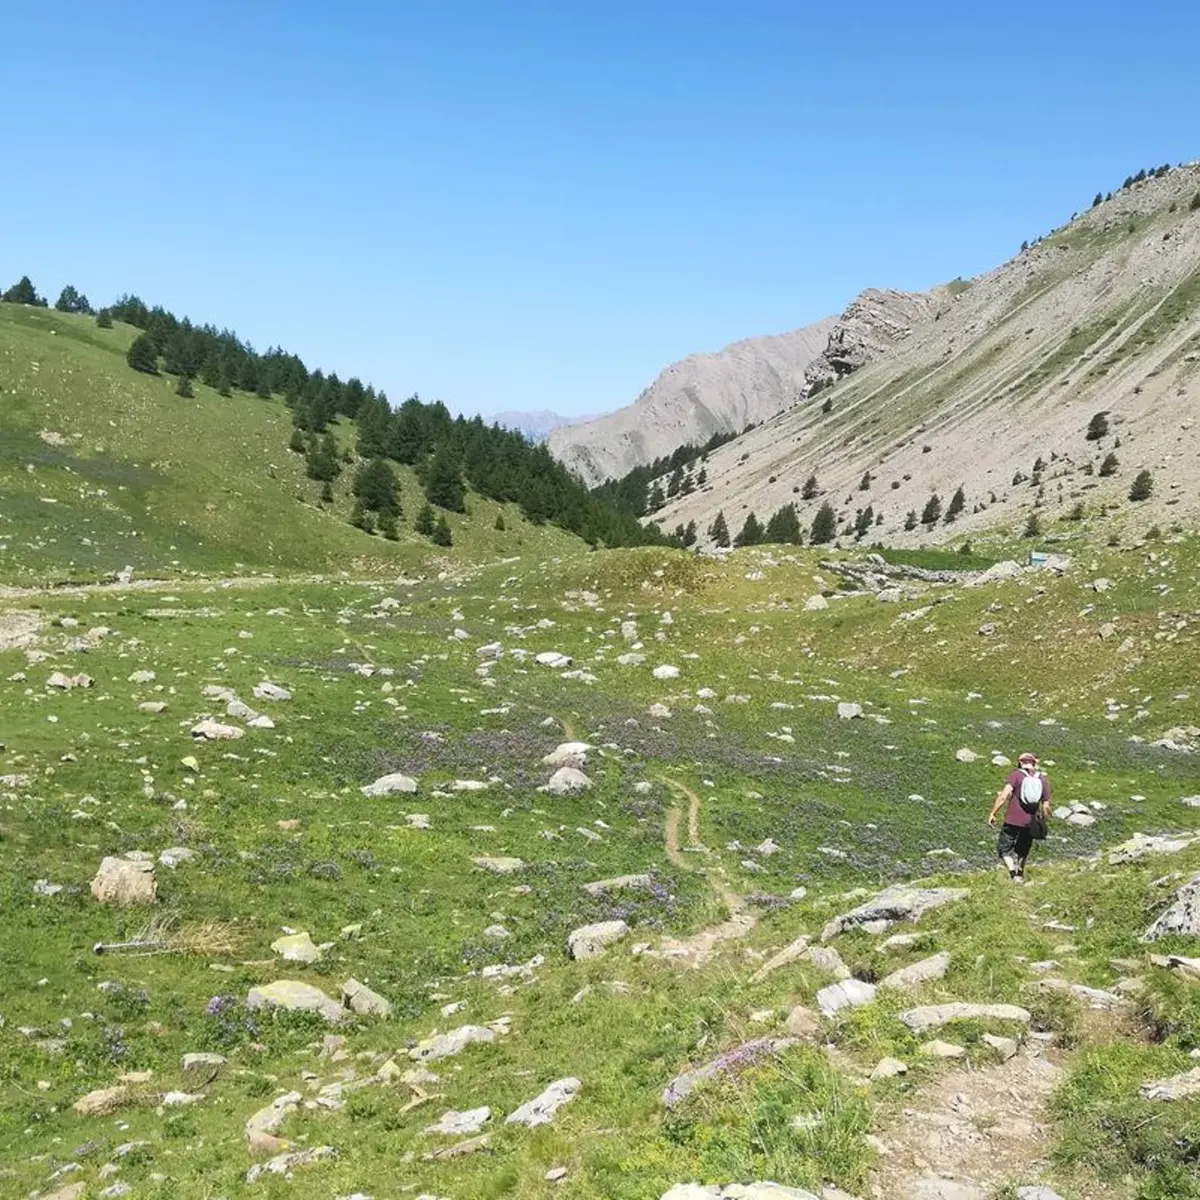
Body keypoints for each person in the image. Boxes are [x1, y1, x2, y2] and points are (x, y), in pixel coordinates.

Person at [988, 751, 1051, 883]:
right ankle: (1020, 874)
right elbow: (1045, 805)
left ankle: (1013, 873)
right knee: (1023, 850)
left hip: (1012, 820)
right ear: (1033, 763)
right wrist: (1043, 821)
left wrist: (993, 813)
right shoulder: (1042, 779)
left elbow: (1004, 795)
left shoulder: (1016, 775)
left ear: (1021, 763)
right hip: (1030, 822)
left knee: (1004, 848)